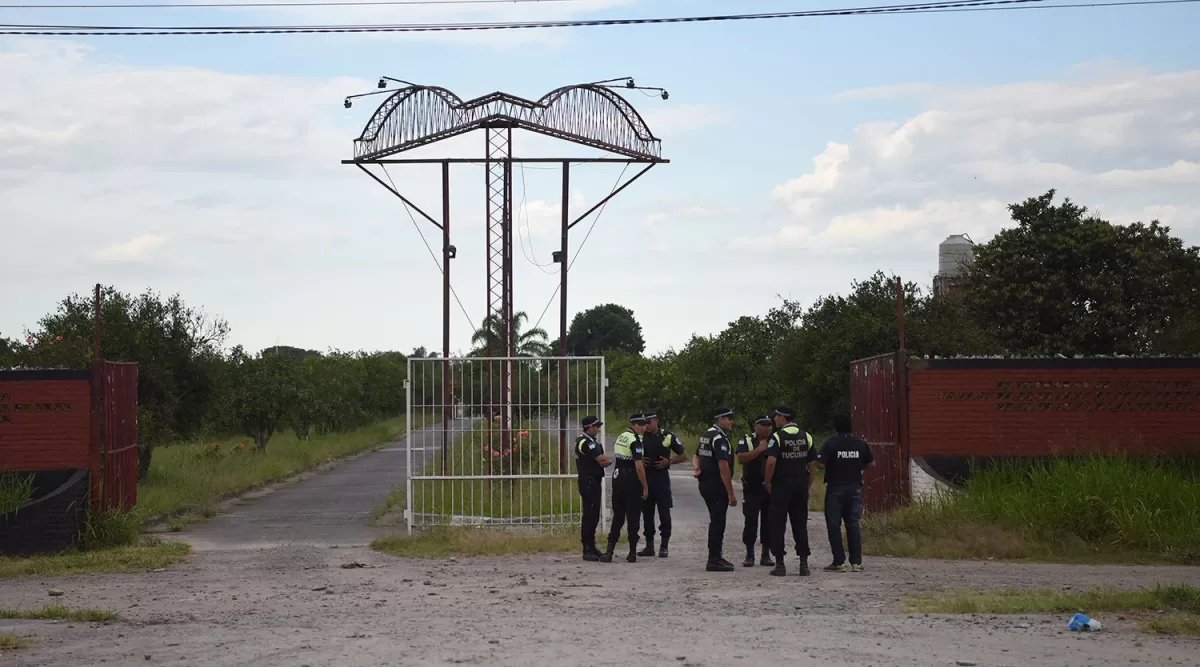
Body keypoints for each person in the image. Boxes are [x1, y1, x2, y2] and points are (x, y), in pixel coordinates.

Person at [816, 414, 875, 573]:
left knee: (834, 526)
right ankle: (856, 562)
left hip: (835, 489)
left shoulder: (830, 444)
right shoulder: (860, 444)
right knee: (853, 525)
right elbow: (871, 463)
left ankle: (839, 562)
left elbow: (820, 465)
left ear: (836, 427)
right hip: (855, 488)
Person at [764, 404, 816, 577]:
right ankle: (803, 564)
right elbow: (812, 464)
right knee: (800, 523)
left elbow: (771, 461)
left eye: (776, 416)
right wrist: (808, 484)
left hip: (781, 485)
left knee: (778, 523)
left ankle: (780, 564)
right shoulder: (806, 436)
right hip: (800, 484)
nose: (774, 419)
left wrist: (767, 482)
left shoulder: (777, 437)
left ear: (783, 418)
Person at [600, 413, 649, 563]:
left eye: (645, 424)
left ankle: (609, 551)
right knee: (633, 517)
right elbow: (639, 467)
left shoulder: (622, 436)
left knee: (618, 517)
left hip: (617, 478)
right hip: (631, 480)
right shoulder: (635, 441)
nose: (643, 427)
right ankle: (632, 552)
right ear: (633, 425)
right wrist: (645, 487)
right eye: (640, 425)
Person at [638, 410, 688, 559]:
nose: (647, 425)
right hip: (645, 480)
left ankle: (664, 546)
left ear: (656, 420)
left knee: (664, 515)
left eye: (649, 422)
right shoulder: (640, 437)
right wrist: (639, 460)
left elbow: (684, 456)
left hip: (661, 481)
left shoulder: (667, 436)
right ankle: (649, 546)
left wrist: (670, 462)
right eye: (644, 422)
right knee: (647, 515)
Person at [693, 407, 738, 572]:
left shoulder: (707, 434)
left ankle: (717, 556)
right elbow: (723, 466)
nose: (731, 422)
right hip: (716, 485)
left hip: (705, 482)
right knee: (718, 522)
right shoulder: (719, 438)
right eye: (728, 419)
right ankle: (713, 559)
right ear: (721, 420)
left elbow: (696, 455)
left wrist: (696, 469)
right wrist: (730, 492)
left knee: (716, 520)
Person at [735, 414, 775, 567]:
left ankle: (766, 554)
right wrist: (759, 450)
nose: (767, 428)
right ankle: (749, 554)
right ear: (756, 427)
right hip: (752, 487)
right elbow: (741, 458)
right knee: (750, 521)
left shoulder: (776, 439)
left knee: (769, 522)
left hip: (770, 488)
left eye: (769, 425)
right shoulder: (747, 440)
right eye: (763, 425)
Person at [574, 415, 611, 562]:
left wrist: (605, 460)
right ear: (589, 427)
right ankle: (587, 548)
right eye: (596, 427)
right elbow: (601, 460)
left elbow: (603, 459)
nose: (598, 430)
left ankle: (592, 546)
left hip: (594, 481)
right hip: (588, 482)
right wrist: (606, 461)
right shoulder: (585, 442)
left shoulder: (591, 442)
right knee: (589, 516)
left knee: (594, 515)